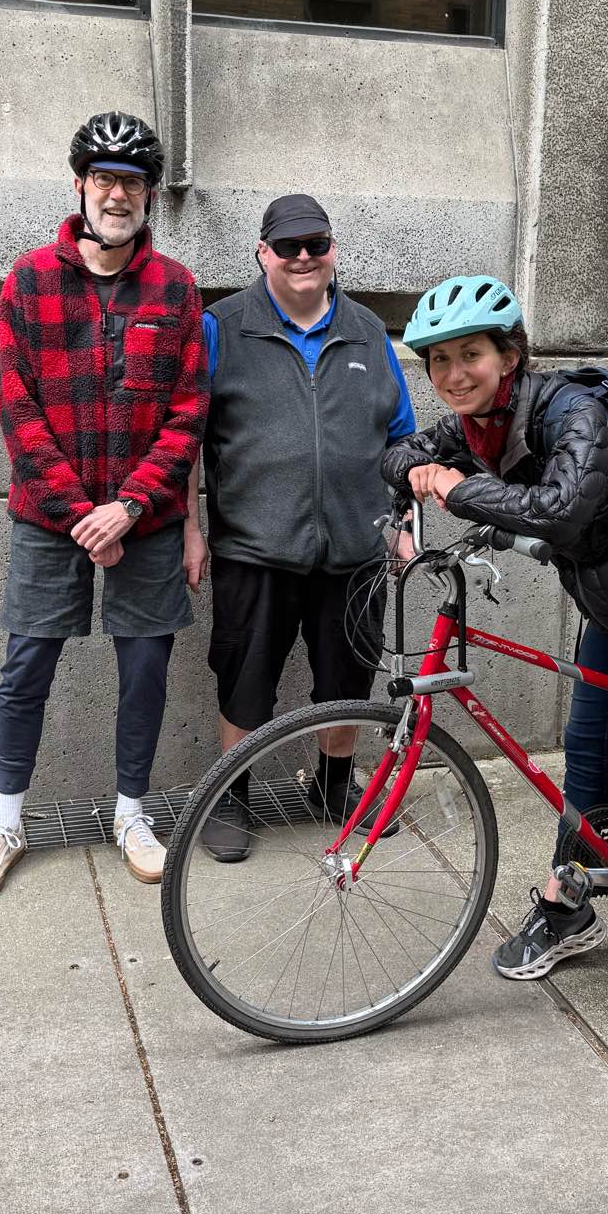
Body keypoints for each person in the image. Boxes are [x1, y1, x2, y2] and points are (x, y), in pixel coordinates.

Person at [382, 275, 608, 1070]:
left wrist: (458, 488)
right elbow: (399, 454)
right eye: (439, 360)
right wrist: (416, 476)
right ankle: (570, 902)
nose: (453, 373)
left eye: (471, 354)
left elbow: (560, 510)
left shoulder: (570, 411)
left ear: (510, 355)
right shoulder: (475, 423)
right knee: (584, 754)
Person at [0, 111, 208, 903]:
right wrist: (79, 515)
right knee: (26, 666)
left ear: (149, 195)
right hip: (48, 517)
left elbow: (188, 414)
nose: (117, 194)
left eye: (132, 181)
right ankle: (6, 821)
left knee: (146, 670)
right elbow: (17, 409)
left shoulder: (176, 288)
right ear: (79, 185)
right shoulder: (29, 280)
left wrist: (128, 508)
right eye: (104, 178)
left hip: (148, 518)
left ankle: (131, 812)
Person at [182, 194, 417, 862]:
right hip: (255, 548)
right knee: (245, 678)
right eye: (289, 246)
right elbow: (186, 441)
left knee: (347, 680)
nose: (304, 257)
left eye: (317, 243)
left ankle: (334, 786)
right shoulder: (222, 326)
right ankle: (232, 797)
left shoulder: (368, 331)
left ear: (333, 249)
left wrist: (403, 523)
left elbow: (401, 439)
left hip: (354, 550)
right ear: (264, 254)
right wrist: (190, 530)